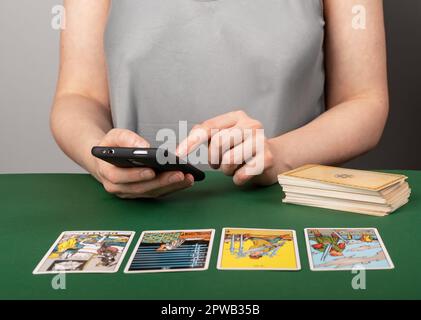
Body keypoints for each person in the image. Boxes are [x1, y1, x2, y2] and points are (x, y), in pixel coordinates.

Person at [51, 0, 389, 198]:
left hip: (288, 205)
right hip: (136, 215)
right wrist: (99, 156)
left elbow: (364, 100)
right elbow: (77, 96)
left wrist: (281, 155)